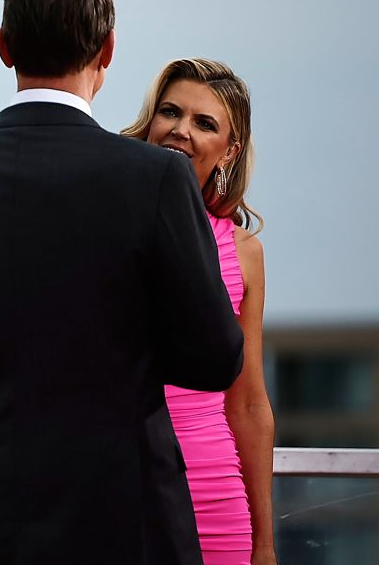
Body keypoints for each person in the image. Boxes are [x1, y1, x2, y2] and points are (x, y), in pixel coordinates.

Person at [0, 0, 246, 564]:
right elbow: (214, 358)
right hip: (124, 529)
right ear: (107, 50)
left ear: (3, 45)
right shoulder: (155, 180)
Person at [124, 59, 276, 565]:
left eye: (204, 123)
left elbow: (249, 404)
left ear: (229, 151)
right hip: (120, 492)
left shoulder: (243, 251)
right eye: (169, 111)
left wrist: (264, 543)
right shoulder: (106, 219)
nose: (180, 130)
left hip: (215, 496)